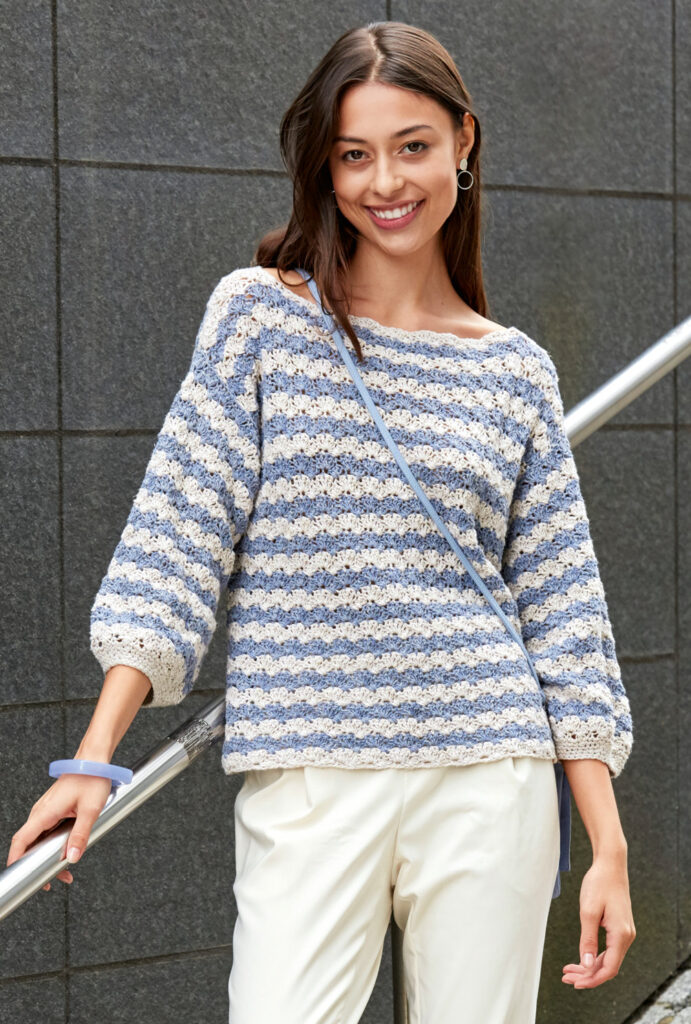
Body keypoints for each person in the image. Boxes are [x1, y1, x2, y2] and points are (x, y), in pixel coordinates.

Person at [6, 20, 635, 1024]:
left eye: (412, 146)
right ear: (324, 168)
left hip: (490, 772)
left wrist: (606, 844)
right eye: (353, 155)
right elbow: (177, 534)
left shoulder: (515, 369)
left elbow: (565, 613)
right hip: (308, 774)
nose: (385, 181)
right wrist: (94, 756)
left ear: (463, 141)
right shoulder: (260, 318)